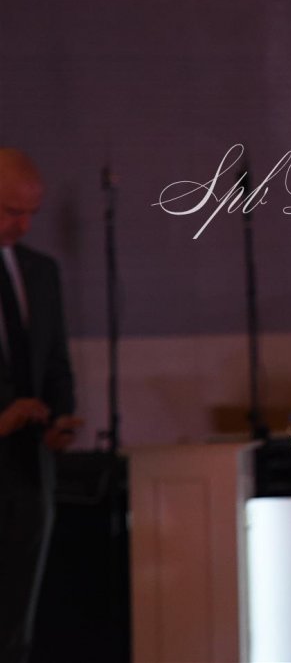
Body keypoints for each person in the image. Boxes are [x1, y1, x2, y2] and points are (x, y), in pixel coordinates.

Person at [0, 149, 81, 663]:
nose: (24, 225)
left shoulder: (40, 271)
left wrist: (60, 418)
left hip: (30, 466)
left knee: (16, 617)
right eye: (12, 211)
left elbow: (55, 360)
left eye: (31, 213)